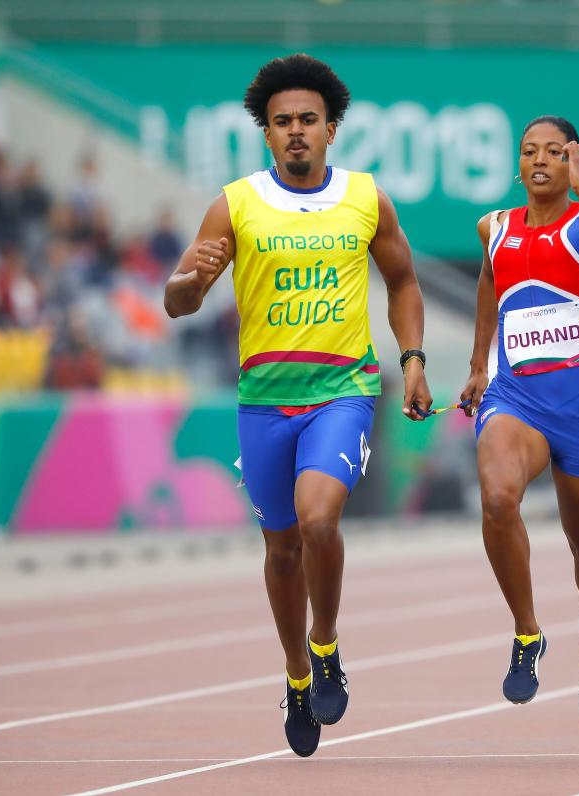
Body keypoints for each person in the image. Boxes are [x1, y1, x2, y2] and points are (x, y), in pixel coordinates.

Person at [163, 54, 432, 758]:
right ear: (266, 133)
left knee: (318, 519)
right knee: (280, 549)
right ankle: (294, 672)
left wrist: (411, 360)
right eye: (282, 122)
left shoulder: (366, 198)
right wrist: (187, 282)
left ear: (332, 129)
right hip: (263, 402)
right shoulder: (236, 202)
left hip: (342, 391)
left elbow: (403, 283)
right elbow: (179, 299)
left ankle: (326, 644)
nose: (296, 132)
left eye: (308, 120)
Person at [460, 115, 579, 731]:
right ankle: (526, 631)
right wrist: (479, 366)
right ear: (519, 163)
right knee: (497, 495)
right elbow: (490, 282)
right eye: (529, 151)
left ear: (573, 161)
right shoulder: (495, 227)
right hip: (518, 400)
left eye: (554, 152)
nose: (540, 160)